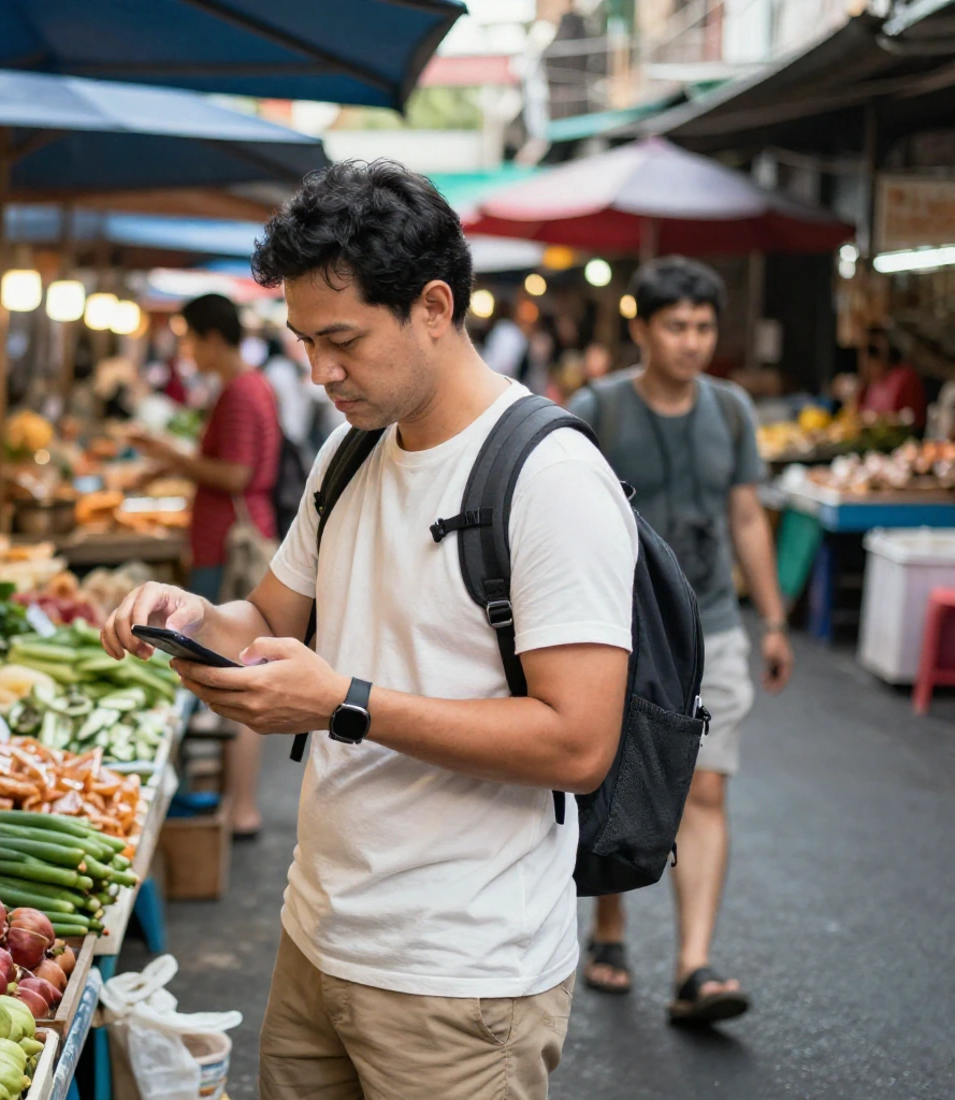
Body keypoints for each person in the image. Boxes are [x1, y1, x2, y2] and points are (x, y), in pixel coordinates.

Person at [102, 161, 638, 1100]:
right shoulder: (348, 455)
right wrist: (189, 620)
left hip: (461, 979)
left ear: (434, 307)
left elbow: (578, 740)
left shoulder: (550, 477)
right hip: (318, 934)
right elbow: (266, 617)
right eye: (304, 340)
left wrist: (343, 704)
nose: (320, 370)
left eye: (341, 339)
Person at [568, 255, 792, 1025]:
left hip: (716, 628)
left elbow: (745, 519)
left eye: (702, 326)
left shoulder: (730, 410)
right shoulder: (596, 408)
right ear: (641, 328)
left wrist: (773, 620)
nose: (691, 341)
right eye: (676, 326)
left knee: (706, 784)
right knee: (613, 776)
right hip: (616, 632)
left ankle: (693, 965)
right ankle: (609, 926)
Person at [128, 293, 281, 837]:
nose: (187, 350)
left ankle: (239, 808)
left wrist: (167, 456)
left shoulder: (241, 390)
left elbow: (236, 475)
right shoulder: (246, 385)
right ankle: (230, 800)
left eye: (190, 338)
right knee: (237, 667)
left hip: (230, 541)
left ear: (213, 337)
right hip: (230, 534)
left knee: (236, 670)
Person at [852, 327, 927, 430]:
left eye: (873, 351)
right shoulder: (873, 382)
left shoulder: (905, 377)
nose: (865, 363)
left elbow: (914, 418)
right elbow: (859, 412)